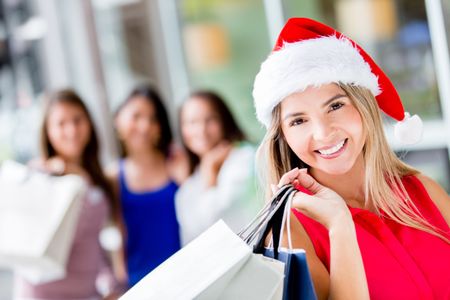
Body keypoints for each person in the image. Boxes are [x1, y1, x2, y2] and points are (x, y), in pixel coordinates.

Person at [253, 18, 450, 300]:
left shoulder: (422, 190)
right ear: (282, 135)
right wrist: (339, 225)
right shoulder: (289, 233)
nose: (323, 133)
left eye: (335, 105)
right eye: (298, 121)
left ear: (364, 105)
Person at [14, 89, 124, 299]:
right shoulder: (41, 176)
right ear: (47, 131)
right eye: (61, 124)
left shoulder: (98, 179)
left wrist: (112, 284)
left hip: (87, 293)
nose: (72, 130)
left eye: (77, 120)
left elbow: (94, 240)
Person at [107, 85, 181, 287]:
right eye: (136, 116)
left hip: (186, 278)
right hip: (140, 286)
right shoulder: (113, 178)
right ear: (118, 121)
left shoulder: (177, 163)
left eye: (153, 119)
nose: (145, 126)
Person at [175, 90, 261, 246]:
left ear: (224, 121)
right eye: (192, 122)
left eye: (210, 119)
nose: (201, 130)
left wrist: (210, 171)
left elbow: (215, 220)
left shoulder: (244, 157)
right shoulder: (187, 189)